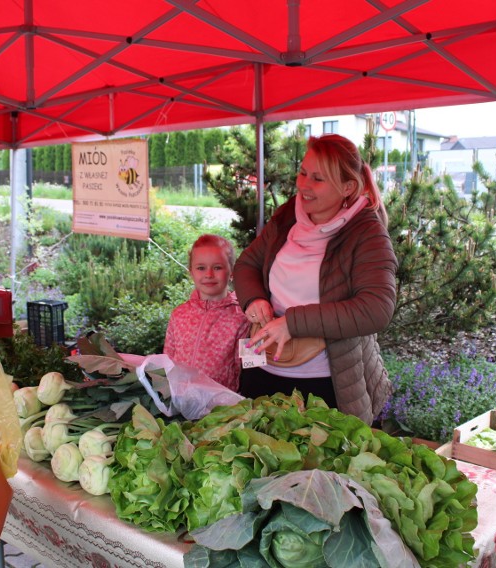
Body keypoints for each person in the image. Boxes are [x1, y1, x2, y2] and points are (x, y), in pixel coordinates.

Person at [233, 134, 397, 424]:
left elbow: (376, 309)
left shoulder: (367, 233)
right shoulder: (288, 215)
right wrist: (255, 298)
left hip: (325, 385)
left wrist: (292, 323)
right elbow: (248, 263)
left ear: (347, 187)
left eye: (318, 179)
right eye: (303, 172)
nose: (304, 185)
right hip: (262, 372)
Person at [164, 234, 250, 391]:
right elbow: (167, 358)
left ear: (231, 272)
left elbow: (250, 369)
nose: (209, 274)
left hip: (221, 404)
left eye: (217, 267)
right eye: (201, 268)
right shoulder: (179, 314)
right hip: (179, 397)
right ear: (191, 272)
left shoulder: (243, 318)